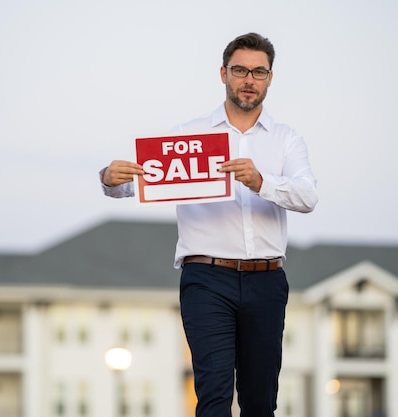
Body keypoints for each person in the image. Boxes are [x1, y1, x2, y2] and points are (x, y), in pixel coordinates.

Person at [99, 32, 318, 417]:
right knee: (214, 394)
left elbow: (307, 196)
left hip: (266, 280)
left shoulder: (286, 140)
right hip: (206, 278)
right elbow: (136, 183)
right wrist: (108, 178)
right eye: (239, 70)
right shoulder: (190, 137)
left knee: (260, 399)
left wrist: (261, 181)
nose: (249, 80)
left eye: (258, 72)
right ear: (223, 73)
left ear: (269, 78)